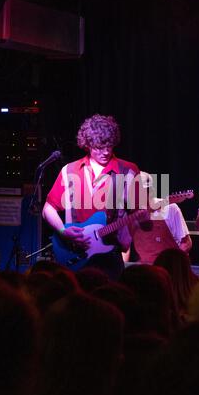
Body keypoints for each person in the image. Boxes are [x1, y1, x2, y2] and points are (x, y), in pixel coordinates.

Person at [42, 114, 147, 279]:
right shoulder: (69, 171)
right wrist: (63, 231)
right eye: (99, 147)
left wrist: (143, 217)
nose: (106, 152)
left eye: (110, 146)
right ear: (88, 144)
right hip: (73, 254)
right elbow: (48, 209)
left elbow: (141, 214)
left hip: (109, 259)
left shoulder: (128, 171)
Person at [127, 171, 192, 264]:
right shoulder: (131, 214)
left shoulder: (169, 208)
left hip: (168, 269)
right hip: (145, 268)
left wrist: (172, 265)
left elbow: (186, 243)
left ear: (150, 190)